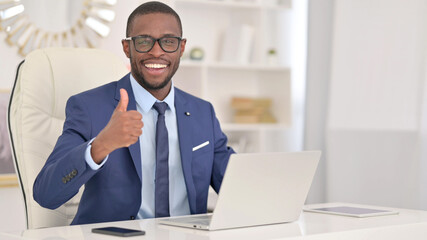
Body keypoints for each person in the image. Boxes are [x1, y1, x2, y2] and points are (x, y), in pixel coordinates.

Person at [33, 1, 235, 225]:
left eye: (168, 41)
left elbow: (237, 185)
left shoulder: (202, 112)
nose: (156, 52)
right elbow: (46, 194)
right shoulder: (89, 107)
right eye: (144, 41)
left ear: (182, 47)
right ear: (127, 47)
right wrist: (100, 145)